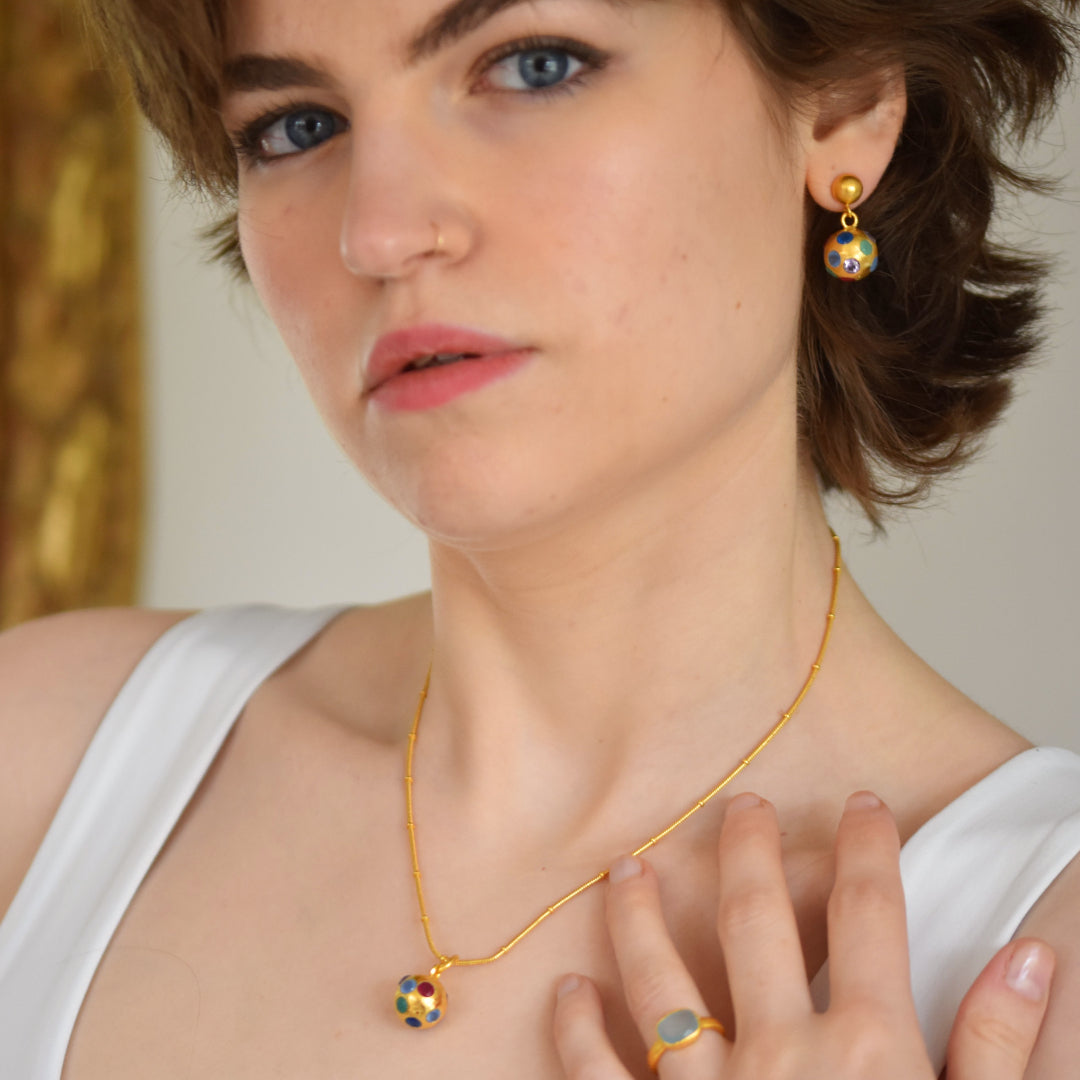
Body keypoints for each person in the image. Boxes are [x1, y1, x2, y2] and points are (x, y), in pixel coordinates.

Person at [1, 0, 1078, 1077]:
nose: (378, 232)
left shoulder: (1039, 967)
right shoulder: (41, 764)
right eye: (297, 128)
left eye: (533, 66)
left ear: (844, 102)